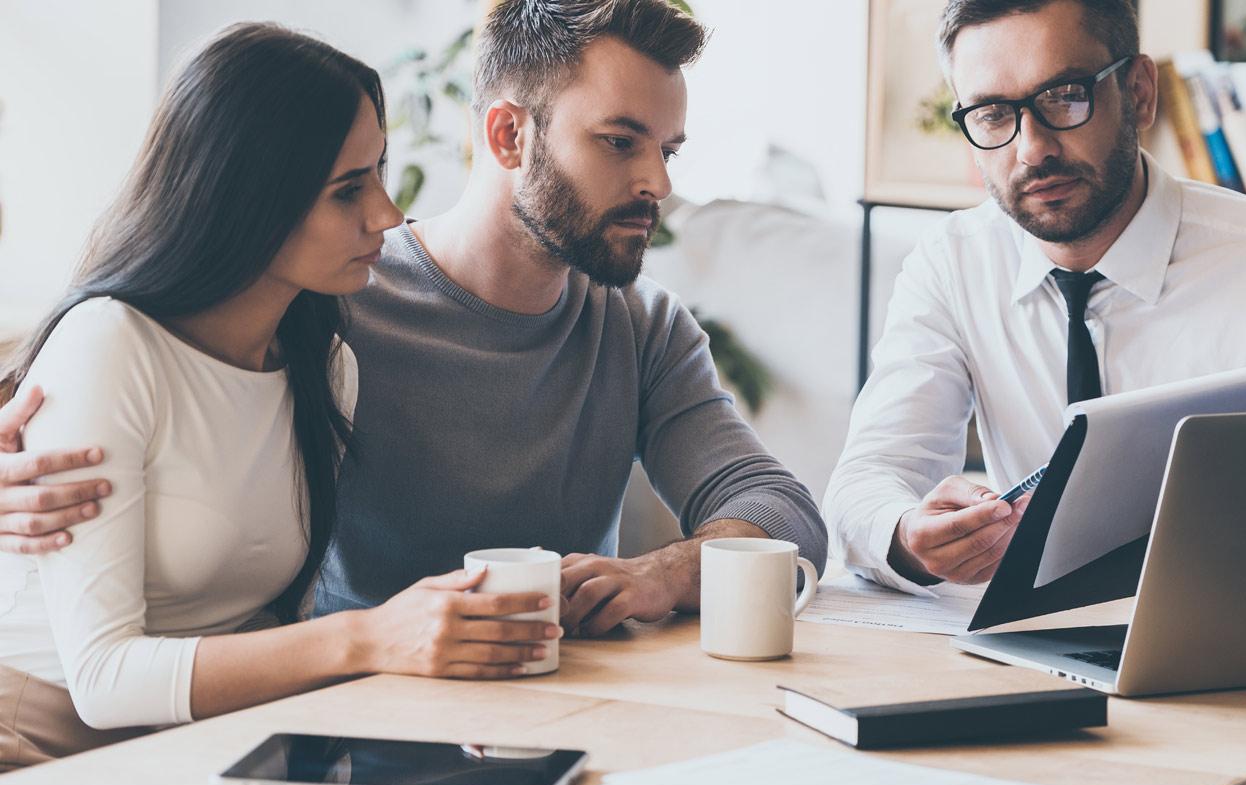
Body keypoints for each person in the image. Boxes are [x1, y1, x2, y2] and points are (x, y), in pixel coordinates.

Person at [0, 0, 827, 636]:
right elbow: (142, 350)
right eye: (620, 142)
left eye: (668, 150)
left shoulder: (644, 328)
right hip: (342, 719)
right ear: (508, 135)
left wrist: (673, 571)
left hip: (555, 716)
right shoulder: (327, 294)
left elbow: (778, 508)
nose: (657, 181)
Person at [0, 24, 559, 771]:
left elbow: (272, 628)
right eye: (348, 190)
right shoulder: (111, 346)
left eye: (378, 176)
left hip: (212, 746)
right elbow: (102, 683)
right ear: (247, 196)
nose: (389, 216)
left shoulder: (323, 366)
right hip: (43, 745)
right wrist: (372, 637)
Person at [823, 0, 1246, 595]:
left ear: (1139, 92)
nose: (1032, 149)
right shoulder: (954, 262)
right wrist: (906, 534)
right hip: (1032, 653)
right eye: (994, 114)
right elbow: (868, 477)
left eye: (1063, 97)